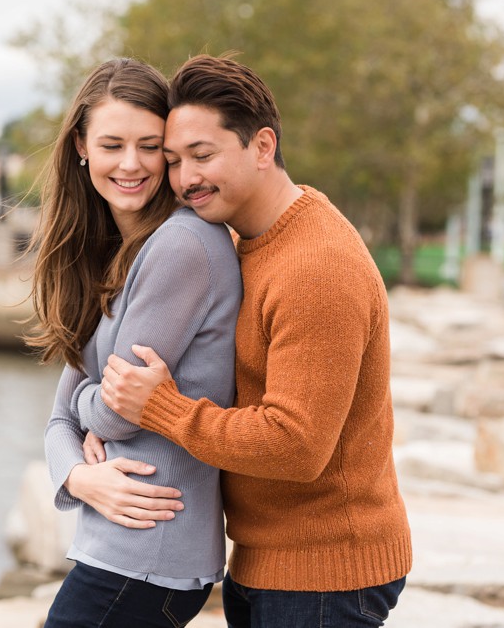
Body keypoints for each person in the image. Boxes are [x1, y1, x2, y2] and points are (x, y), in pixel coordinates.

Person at [91, 54, 412, 627]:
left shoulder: (315, 267)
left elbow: (297, 445)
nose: (185, 178)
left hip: (325, 573)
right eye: (173, 160)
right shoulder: (252, 240)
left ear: (263, 147)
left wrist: (164, 409)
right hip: (269, 561)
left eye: (203, 155)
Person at [28, 57, 242, 627]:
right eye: (112, 143)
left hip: (149, 553)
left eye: (151, 146)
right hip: (117, 550)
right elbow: (58, 422)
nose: (131, 164)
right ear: (81, 145)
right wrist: (78, 475)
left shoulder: (181, 246)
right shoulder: (114, 252)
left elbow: (117, 411)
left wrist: (86, 405)